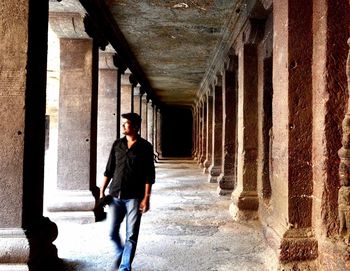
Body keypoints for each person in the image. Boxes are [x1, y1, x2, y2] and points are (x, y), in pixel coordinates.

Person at [100, 112, 155, 271]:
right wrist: (102, 191)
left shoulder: (145, 147)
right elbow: (109, 169)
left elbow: (149, 175)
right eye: (123, 123)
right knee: (112, 232)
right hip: (115, 194)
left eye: (126, 123)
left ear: (136, 126)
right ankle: (121, 252)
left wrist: (146, 198)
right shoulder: (117, 144)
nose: (123, 126)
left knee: (131, 235)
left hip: (135, 197)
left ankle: (124, 267)